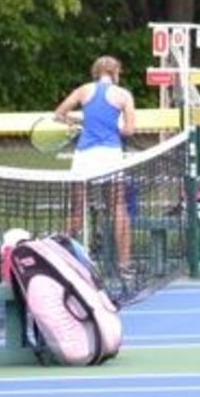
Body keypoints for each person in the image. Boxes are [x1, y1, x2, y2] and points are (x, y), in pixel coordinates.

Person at [54, 55, 137, 273]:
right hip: (110, 155)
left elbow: (59, 114)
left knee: (76, 212)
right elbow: (129, 130)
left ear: (96, 72)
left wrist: (79, 121)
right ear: (115, 72)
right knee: (119, 208)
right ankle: (125, 266)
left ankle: (55, 259)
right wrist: (113, 127)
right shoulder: (123, 95)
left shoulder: (84, 90)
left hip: (84, 156)